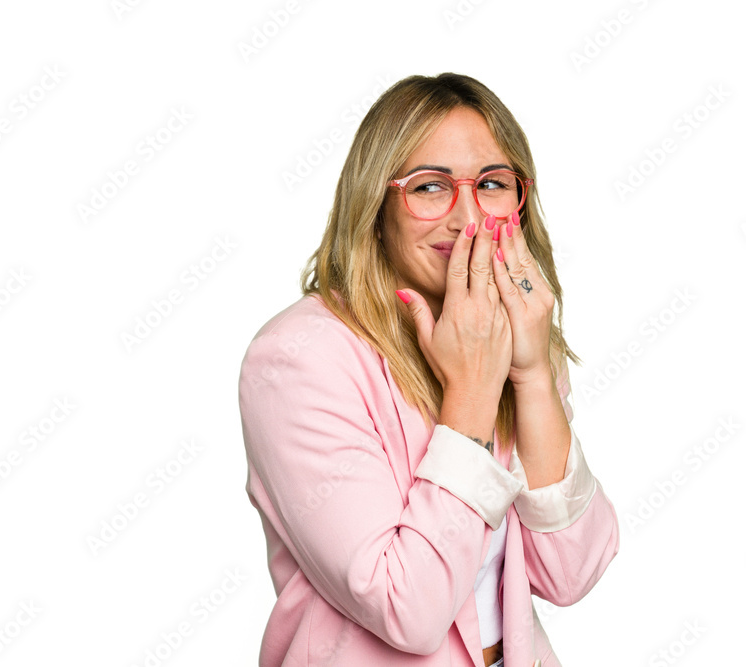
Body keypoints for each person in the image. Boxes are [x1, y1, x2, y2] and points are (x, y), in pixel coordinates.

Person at [239, 72, 619, 667]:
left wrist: (534, 379)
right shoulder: (298, 358)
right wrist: (469, 394)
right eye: (429, 186)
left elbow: (570, 572)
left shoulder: (508, 332)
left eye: (491, 183)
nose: (467, 217)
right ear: (376, 206)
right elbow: (407, 611)